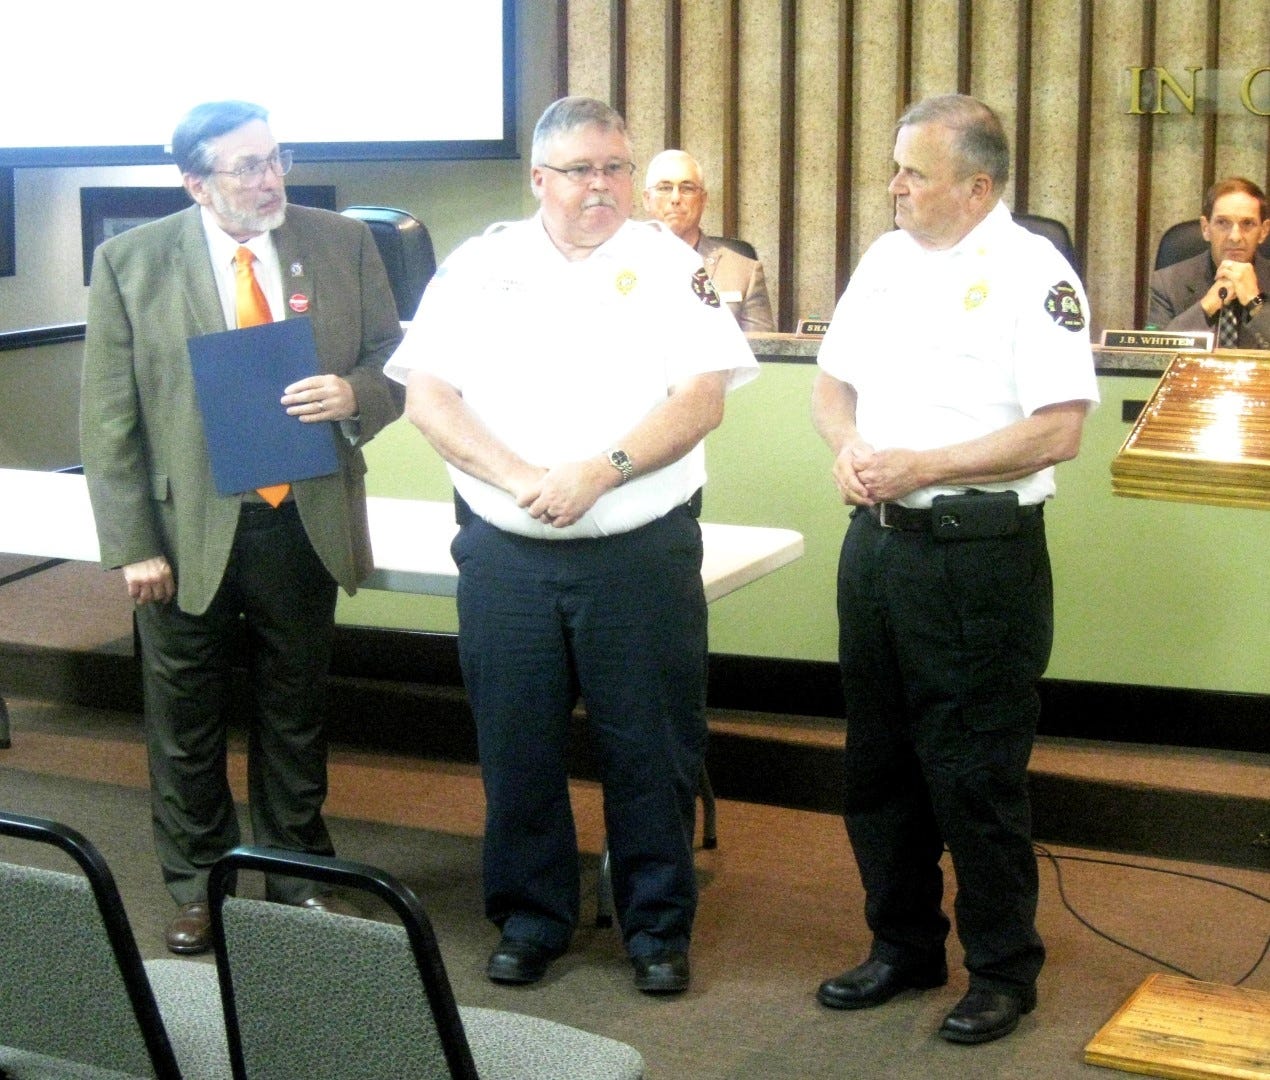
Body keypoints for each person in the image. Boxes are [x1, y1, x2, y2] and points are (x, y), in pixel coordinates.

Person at [385, 96, 758, 994]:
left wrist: (604, 468)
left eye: (617, 168)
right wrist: (517, 476)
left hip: (637, 553)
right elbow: (428, 398)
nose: (604, 186)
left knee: (652, 748)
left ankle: (657, 927)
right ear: (540, 179)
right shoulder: (481, 266)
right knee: (517, 747)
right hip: (508, 554)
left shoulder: (672, 266)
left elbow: (701, 398)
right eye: (584, 169)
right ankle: (531, 916)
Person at [80, 100, 404, 955]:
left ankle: (298, 878)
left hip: (302, 517)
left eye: (276, 159)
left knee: (294, 712)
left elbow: (393, 365)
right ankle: (198, 888)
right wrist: (132, 544)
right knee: (183, 723)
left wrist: (356, 397)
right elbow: (109, 421)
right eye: (247, 167)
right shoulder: (129, 262)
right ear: (195, 183)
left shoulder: (343, 243)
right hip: (185, 534)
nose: (270, 180)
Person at [810, 94, 1098, 1045]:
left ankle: (1004, 970)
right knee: (879, 763)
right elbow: (831, 383)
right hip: (879, 546)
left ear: (978, 186)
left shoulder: (1034, 273)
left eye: (914, 173)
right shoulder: (886, 261)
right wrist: (848, 444)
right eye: (895, 167)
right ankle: (903, 947)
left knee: (974, 773)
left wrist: (926, 465)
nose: (893, 187)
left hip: (979, 558)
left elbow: (1060, 428)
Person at [643, 149, 776, 332]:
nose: (675, 198)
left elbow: (763, 355)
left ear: (703, 200)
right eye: (665, 188)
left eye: (687, 188)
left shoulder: (745, 273)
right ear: (646, 199)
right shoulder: (619, 264)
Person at [1147, 177, 1270, 348]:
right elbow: (1154, 353)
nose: (1235, 237)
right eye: (1222, 223)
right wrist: (1207, 305)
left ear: (1263, 231)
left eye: (1247, 223)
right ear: (1206, 228)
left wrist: (1254, 302)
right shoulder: (1167, 283)